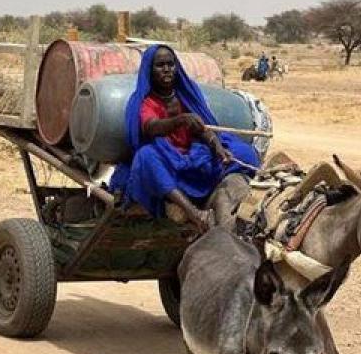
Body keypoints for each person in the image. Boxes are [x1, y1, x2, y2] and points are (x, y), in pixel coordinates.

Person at [110, 45, 260, 231]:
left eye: (171, 64)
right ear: (150, 70)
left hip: (194, 154)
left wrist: (216, 146)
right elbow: (151, 127)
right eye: (160, 65)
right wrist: (181, 120)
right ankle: (195, 214)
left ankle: (221, 191)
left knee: (244, 152)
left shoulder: (187, 92)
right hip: (168, 158)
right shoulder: (145, 101)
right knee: (145, 157)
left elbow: (202, 127)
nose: (167, 69)